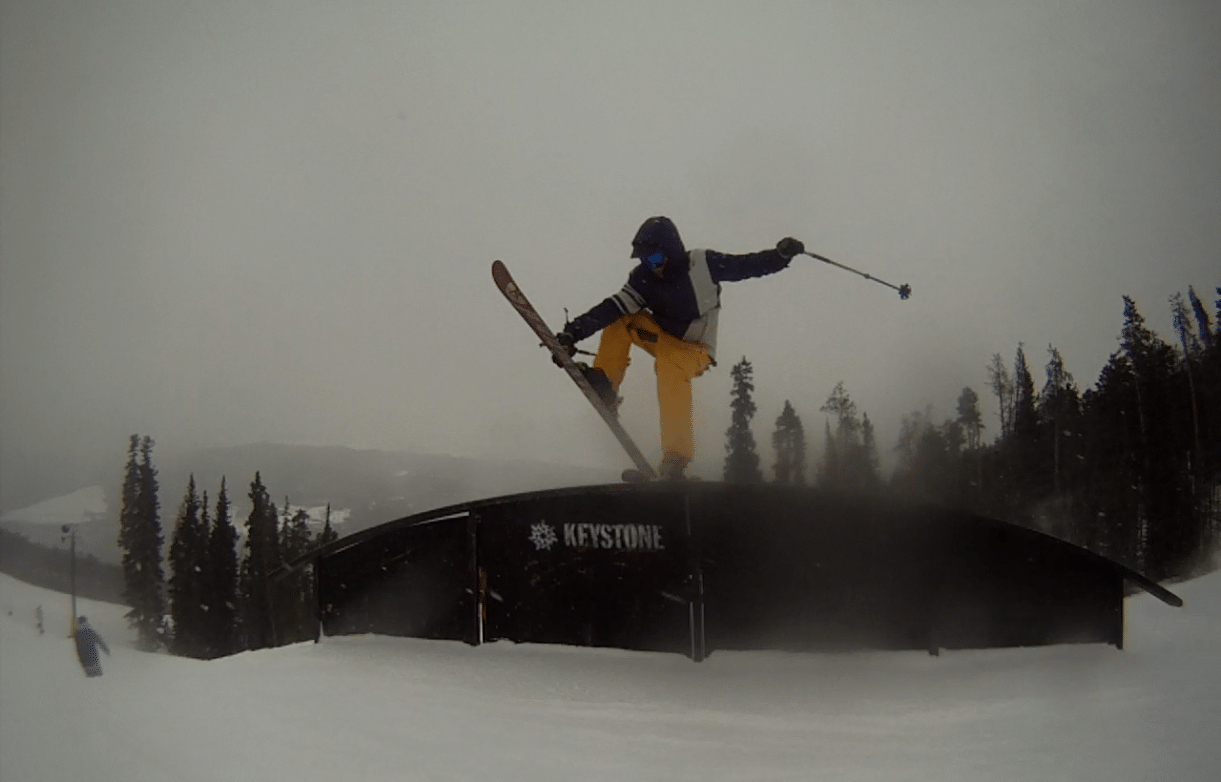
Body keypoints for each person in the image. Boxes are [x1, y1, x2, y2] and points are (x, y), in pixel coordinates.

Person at [556, 216, 804, 479]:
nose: (651, 267)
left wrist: (779, 256)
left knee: (669, 366)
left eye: (654, 259)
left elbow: (745, 266)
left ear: (671, 252)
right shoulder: (643, 279)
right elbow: (611, 307)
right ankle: (605, 387)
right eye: (644, 260)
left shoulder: (701, 265)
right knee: (621, 317)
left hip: (696, 350)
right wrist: (574, 332)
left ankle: (676, 456)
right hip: (663, 341)